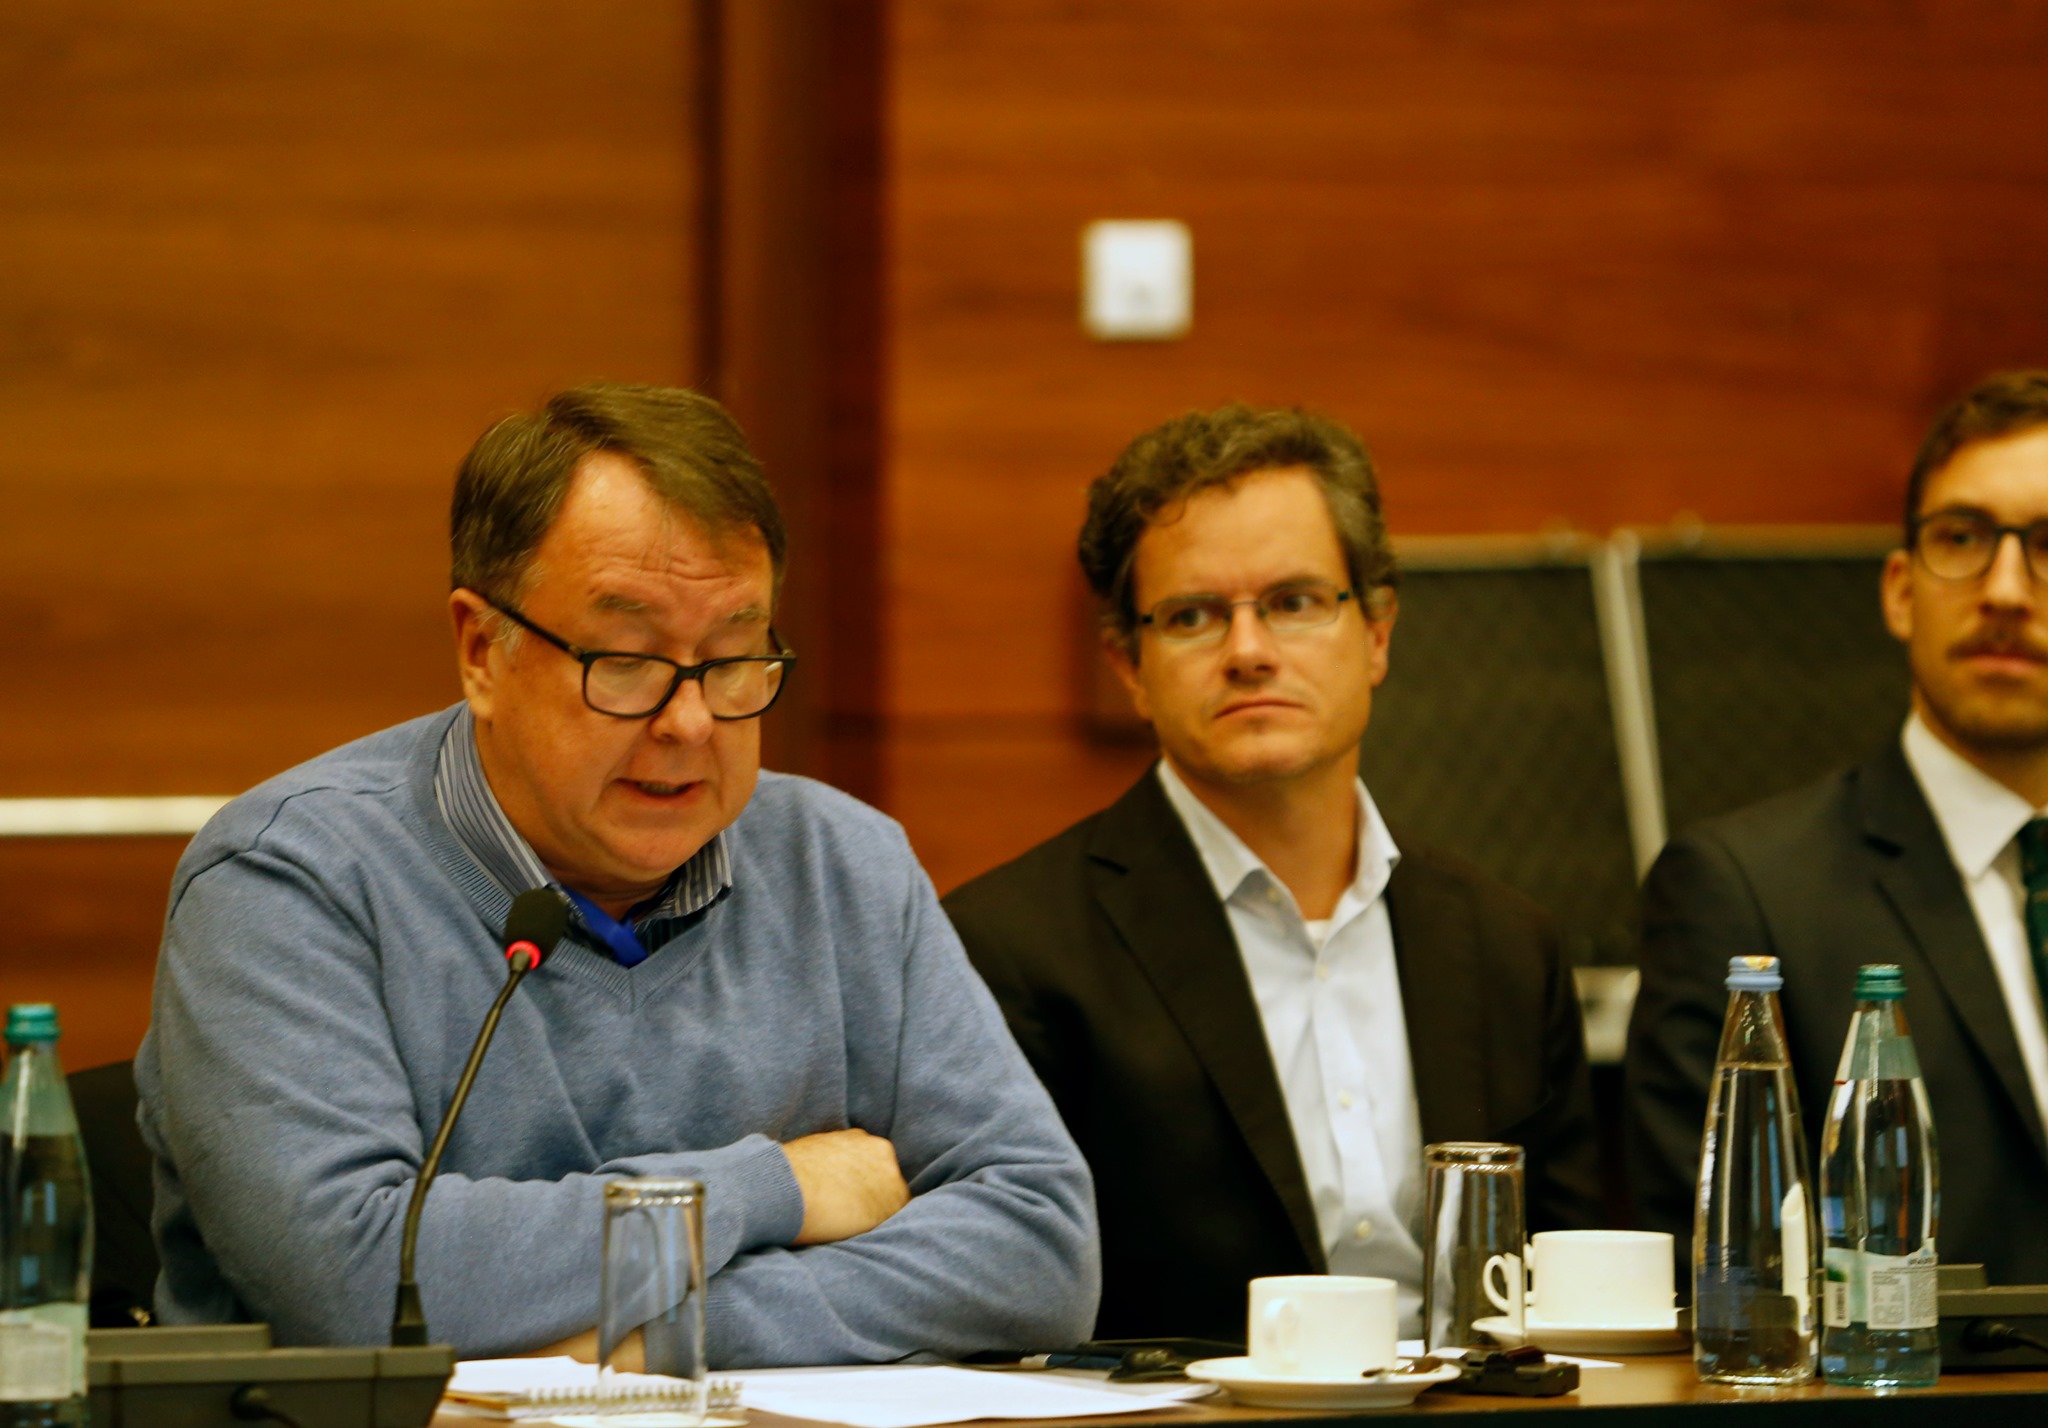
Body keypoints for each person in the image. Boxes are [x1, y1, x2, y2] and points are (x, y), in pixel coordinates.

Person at [135, 383, 1098, 1368]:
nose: (689, 721)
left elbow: (1040, 1248)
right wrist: (776, 1189)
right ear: (482, 650)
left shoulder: (841, 862)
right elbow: (361, 1282)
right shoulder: (289, 879)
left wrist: (653, 1341)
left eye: (732, 657)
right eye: (629, 659)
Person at [943, 405, 1603, 1342]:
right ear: (1129, 666)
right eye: (1193, 616)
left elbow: (1574, 1305)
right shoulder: (1011, 952)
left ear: (1377, 633)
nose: (1249, 651)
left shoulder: (1507, 947)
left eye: (1293, 602)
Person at [1627, 370, 2048, 1288]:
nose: (2006, 589)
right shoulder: (1745, 893)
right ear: (1900, 590)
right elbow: (1714, 1287)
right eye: (1963, 538)